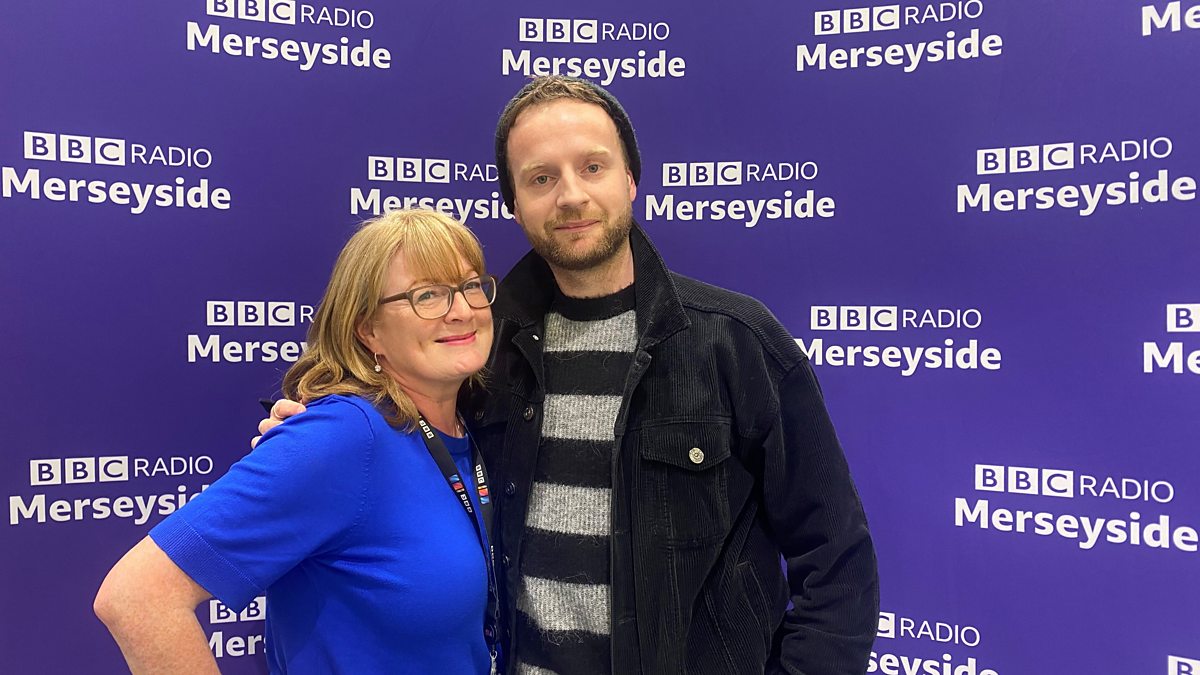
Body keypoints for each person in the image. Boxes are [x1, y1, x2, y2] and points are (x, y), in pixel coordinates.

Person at [263, 76, 879, 674]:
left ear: (631, 179)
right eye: (541, 178)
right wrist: (308, 434)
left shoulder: (736, 341)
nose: (571, 196)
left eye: (592, 167)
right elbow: (402, 430)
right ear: (513, 203)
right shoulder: (479, 346)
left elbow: (837, 560)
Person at [95, 208, 500, 674]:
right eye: (427, 295)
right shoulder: (344, 437)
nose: (462, 309)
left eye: (471, 285)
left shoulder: (475, 431)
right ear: (368, 330)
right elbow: (136, 596)